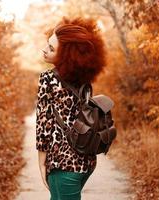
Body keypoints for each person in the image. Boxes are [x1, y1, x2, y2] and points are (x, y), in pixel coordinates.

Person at [36, 16, 107, 200]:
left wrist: (41, 163)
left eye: (51, 48)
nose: (44, 50)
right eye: (47, 44)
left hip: (63, 164)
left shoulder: (48, 79)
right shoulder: (84, 78)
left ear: (66, 55)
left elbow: (44, 126)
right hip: (87, 162)